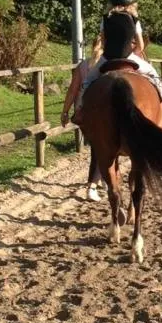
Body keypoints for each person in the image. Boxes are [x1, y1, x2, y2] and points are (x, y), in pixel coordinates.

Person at [80, 0, 162, 115]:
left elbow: (103, 42)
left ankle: (82, 109)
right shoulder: (134, 20)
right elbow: (141, 46)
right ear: (132, 2)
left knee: (87, 81)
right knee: (153, 74)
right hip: (128, 57)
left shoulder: (105, 19)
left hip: (107, 58)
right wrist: (135, 53)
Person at [60, 37, 103, 202]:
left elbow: (72, 90)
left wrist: (64, 112)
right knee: (102, 148)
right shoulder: (106, 65)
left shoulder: (83, 66)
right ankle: (92, 185)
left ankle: (100, 179)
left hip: (82, 113)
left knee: (97, 147)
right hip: (101, 111)